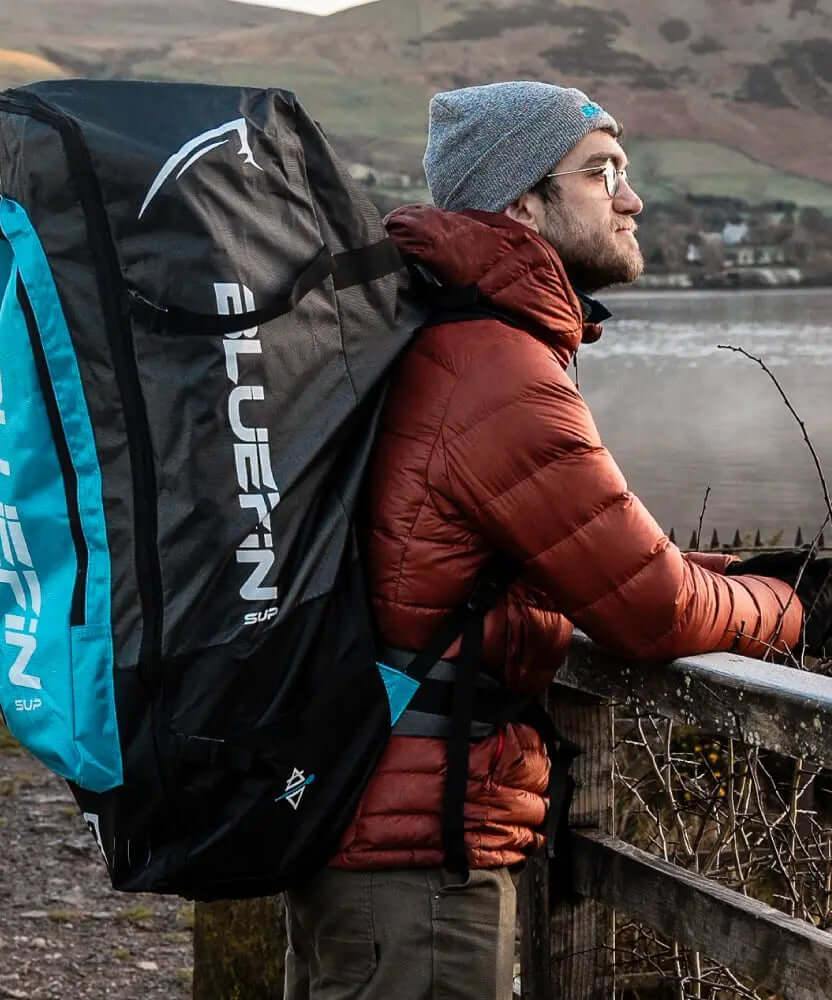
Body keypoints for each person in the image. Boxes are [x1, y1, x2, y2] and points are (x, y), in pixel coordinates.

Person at [282, 81, 829, 1000]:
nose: (632, 198)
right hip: (417, 862)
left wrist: (742, 573)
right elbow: (650, 611)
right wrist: (799, 607)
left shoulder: (446, 334)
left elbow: (578, 563)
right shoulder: (492, 369)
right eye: (601, 172)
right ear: (520, 203)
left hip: (363, 818)